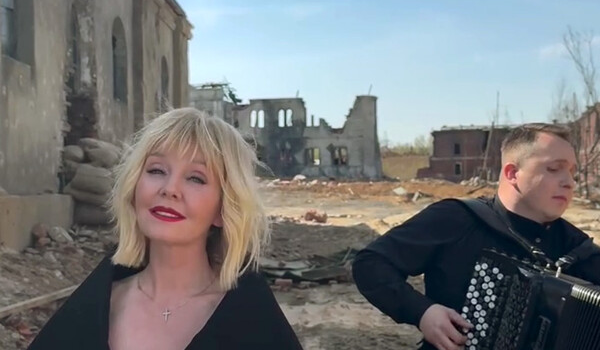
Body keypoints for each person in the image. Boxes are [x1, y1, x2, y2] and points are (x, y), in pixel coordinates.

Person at [28, 107, 303, 350]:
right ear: (134, 188)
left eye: (196, 178)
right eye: (157, 170)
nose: (170, 189)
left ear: (223, 209)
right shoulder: (91, 307)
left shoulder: (253, 320)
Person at [352, 123, 600, 350]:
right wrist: (423, 312)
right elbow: (371, 264)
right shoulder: (457, 219)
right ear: (512, 173)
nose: (569, 182)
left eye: (572, 173)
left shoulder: (579, 249)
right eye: (554, 169)